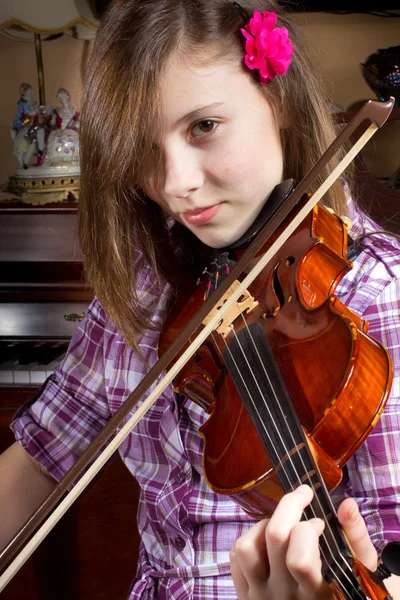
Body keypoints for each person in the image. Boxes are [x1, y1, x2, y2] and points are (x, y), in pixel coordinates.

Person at [0, 1, 399, 598]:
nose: (173, 183)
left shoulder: (375, 299)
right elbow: (41, 455)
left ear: (280, 103)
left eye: (204, 127)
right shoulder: (142, 284)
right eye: (141, 147)